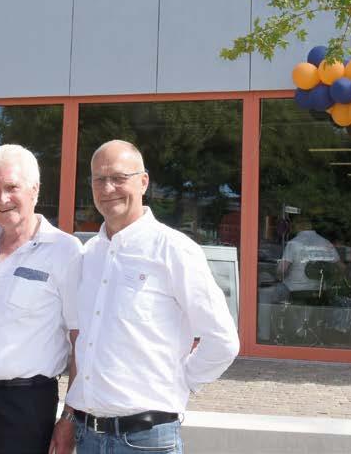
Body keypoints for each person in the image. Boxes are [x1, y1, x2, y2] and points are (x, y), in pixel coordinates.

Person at [67, 140, 239, 453]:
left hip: (145, 441)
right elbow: (83, 340)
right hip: (88, 436)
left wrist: (181, 382)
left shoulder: (173, 249)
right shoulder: (89, 254)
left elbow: (222, 340)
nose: (108, 188)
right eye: (99, 179)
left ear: (143, 182)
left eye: (119, 178)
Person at [0, 145, 82, 454]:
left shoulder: (66, 251)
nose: (3, 199)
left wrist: (69, 417)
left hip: (24, 409)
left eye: (12, 187)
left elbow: (82, 341)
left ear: (35, 189)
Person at [278, 217, 340, 296]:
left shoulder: (294, 243)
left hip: (296, 291)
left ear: (297, 227)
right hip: (320, 292)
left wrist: (277, 276)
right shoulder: (326, 242)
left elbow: (282, 270)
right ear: (310, 227)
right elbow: (341, 267)